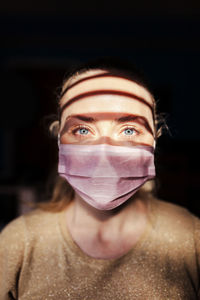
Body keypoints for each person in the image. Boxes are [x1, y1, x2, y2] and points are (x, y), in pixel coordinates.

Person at [0, 57, 200, 300]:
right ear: (60, 141)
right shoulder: (18, 243)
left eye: (129, 130)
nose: (104, 151)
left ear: (154, 141)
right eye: (82, 130)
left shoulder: (191, 238)